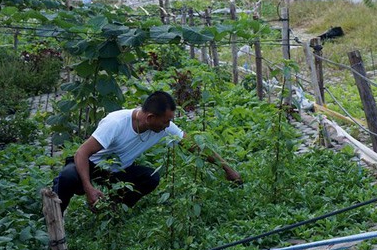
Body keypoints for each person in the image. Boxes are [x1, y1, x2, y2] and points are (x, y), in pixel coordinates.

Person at [52, 91, 242, 213]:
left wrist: (227, 168)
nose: (169, 125)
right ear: (150, 117)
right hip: (91, 165)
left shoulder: (163, 127)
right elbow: (81, 154)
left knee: (150, 177)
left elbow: (195, 146)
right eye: (166, 121)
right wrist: (88, 188)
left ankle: (111, 209)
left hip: (118, 171)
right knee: (68, 177)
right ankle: (54, 219)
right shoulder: (116, 122)